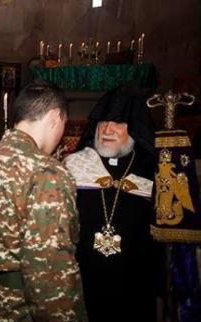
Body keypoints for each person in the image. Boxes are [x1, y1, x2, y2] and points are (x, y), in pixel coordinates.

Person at [0, 82, 87, 321]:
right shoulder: (48, 174)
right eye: (64, 126)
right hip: (18, 310)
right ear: (55, 117)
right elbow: (49, 273)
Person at [64, 86, 163, 322]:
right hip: (82, 285)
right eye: (102, 122)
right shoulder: (74, 167)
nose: (107, 130)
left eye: (118, 123)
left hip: (133, 289)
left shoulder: (153, 173)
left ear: (135, 129)